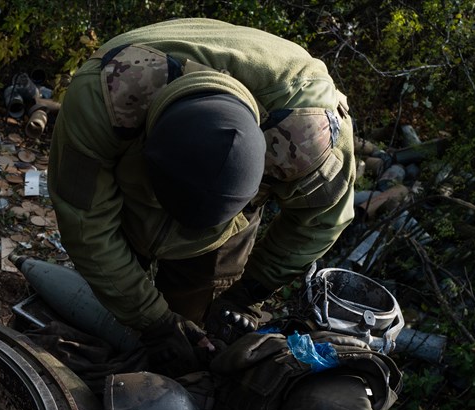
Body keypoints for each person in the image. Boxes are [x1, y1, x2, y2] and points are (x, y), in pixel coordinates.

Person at [48, 18, 356, 377]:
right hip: (130, 199)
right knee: (111, 309)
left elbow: (320, 222)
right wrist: (153, 320)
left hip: (226, 233)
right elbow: (87, 224)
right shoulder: (104, 95)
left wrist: (247, 291)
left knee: (195, 337)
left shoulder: (308, 137)